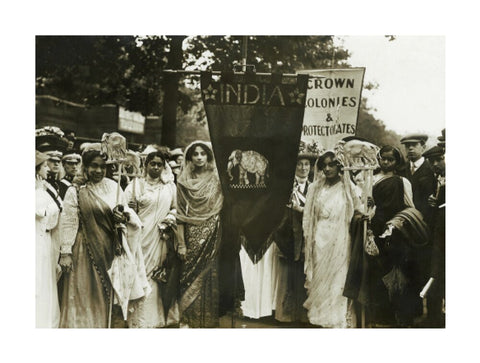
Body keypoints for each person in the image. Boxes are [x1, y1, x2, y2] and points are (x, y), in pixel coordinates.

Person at [58, 149, 149, 328]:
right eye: (94, 166)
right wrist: (66, 252)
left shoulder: (113, 188)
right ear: (85, 166)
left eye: (102, 167)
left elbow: (127, 215)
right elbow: (68, 221)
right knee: (83, 292)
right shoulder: (75, 190)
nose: (98, 171)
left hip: (109, 247)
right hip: (84, 250)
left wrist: (123, 218)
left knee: (106, 292)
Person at [302, 151, 362, 328]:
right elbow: (307, 216)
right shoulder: (315, 188)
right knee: (320, 277)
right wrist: (308, 238)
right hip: (319, 238)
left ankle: (338, 318)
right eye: (324, 166)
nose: (327, 169)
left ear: (339, 166)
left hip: (341, 238)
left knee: (338, 278)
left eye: (331, 165)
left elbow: (358, 210)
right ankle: (321, 317)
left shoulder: (348, 188)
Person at [125, 151, 181, 328]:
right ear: (146, 165)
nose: (156, 167)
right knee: (139, 273)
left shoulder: (170, 187)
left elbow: (176, 208)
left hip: (160, 236)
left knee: (157, 274)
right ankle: (137, 319)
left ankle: (155, 318)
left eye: (159, 164)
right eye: (152, 164)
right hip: (139, 236)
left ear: (164, 166)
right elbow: (122, 209)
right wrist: (130, 209)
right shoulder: (135, 186)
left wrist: (168, 221)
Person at [176, 141, 224, 328]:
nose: (199, 157)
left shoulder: (217, 179)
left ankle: (208, 321)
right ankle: (188, 319)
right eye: (195, 154)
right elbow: (180, 214)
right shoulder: (183, 181)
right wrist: (181, 243)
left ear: (208, 156)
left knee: (209, 274)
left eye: (202, 153)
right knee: (190, 274)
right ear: (189, 158)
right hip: (191, 232)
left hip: (213, 229)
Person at [272, 152, 315, 323]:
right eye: (299, 164)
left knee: (305, 275)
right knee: (287, 275)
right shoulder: (286, 187)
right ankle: (286, 315)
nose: (303, 168)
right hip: (288, 235)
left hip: (307, 236)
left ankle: (304, 316)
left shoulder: (314, 187)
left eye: (306, 164)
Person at [36, 151, 61, 328]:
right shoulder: (36, 191)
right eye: (44, 166)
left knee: (44, 281)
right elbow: (43, 212)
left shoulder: (43, 188)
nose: (48, 169)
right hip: (36, 241)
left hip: (43, 240)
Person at [423, 142, 446, 327]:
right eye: (433, 161)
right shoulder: (437, 178)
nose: (436, 164)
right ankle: (434, 317)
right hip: (439, 232)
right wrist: (434, 202)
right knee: (436, 271)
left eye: (439, 159)